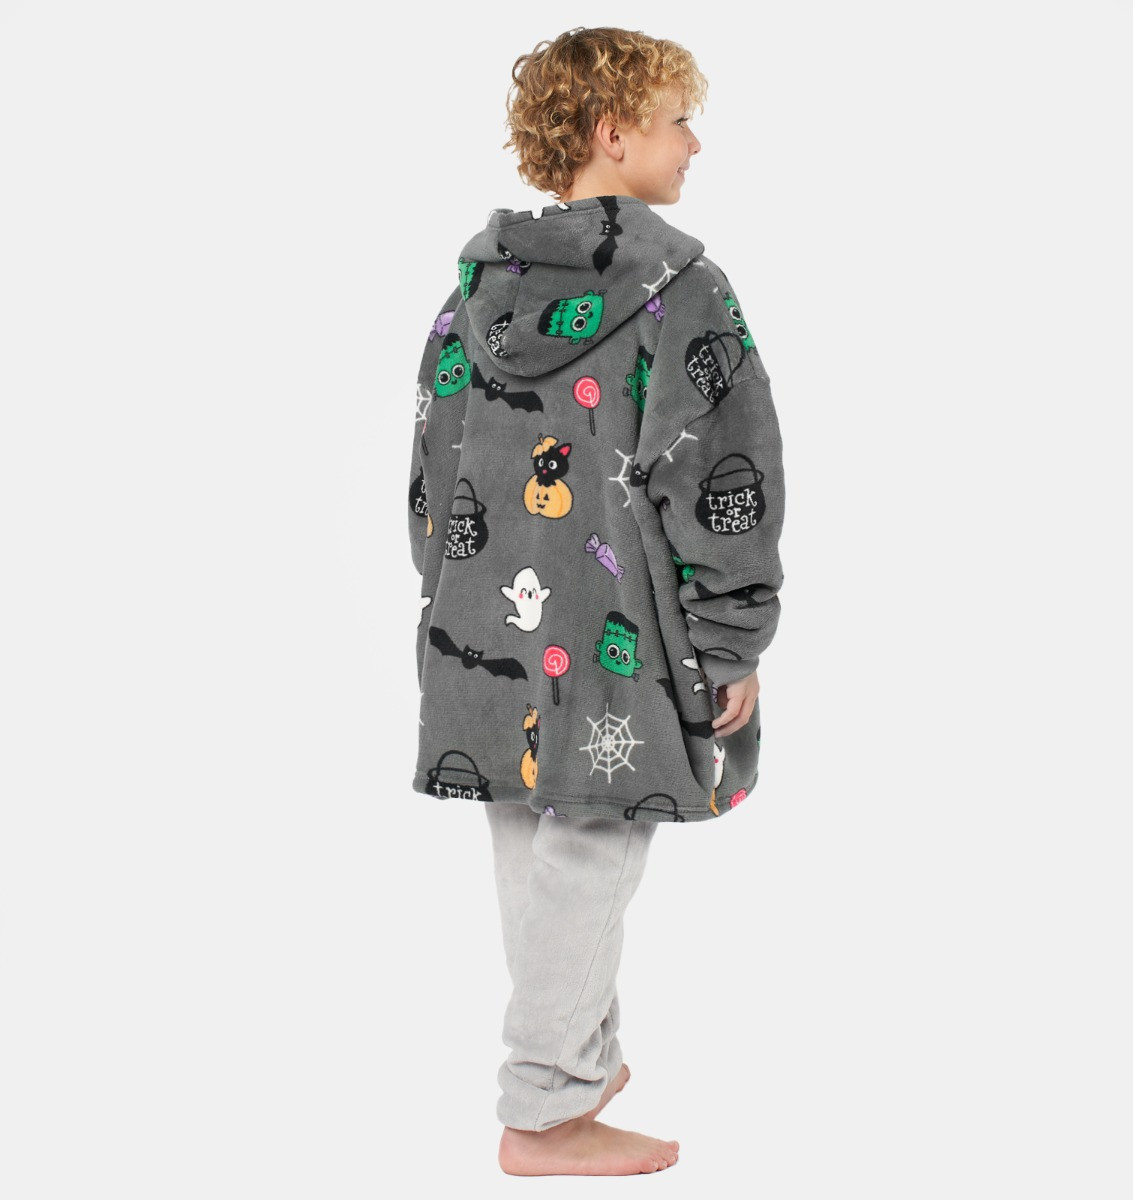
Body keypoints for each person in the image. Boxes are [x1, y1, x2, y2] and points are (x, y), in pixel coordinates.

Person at [406, 26, 786, 1176]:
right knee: (595, 849)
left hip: (483, 619)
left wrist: (445, 594)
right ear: (612, 133)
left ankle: (576, 1054)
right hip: (621, 639)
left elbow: (430, 466)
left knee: (530, 839)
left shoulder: (476, 292)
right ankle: (544, 1112)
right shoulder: (683, 290)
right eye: (678, 120)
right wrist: (730, 637)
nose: (695, 143)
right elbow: (725, 475)